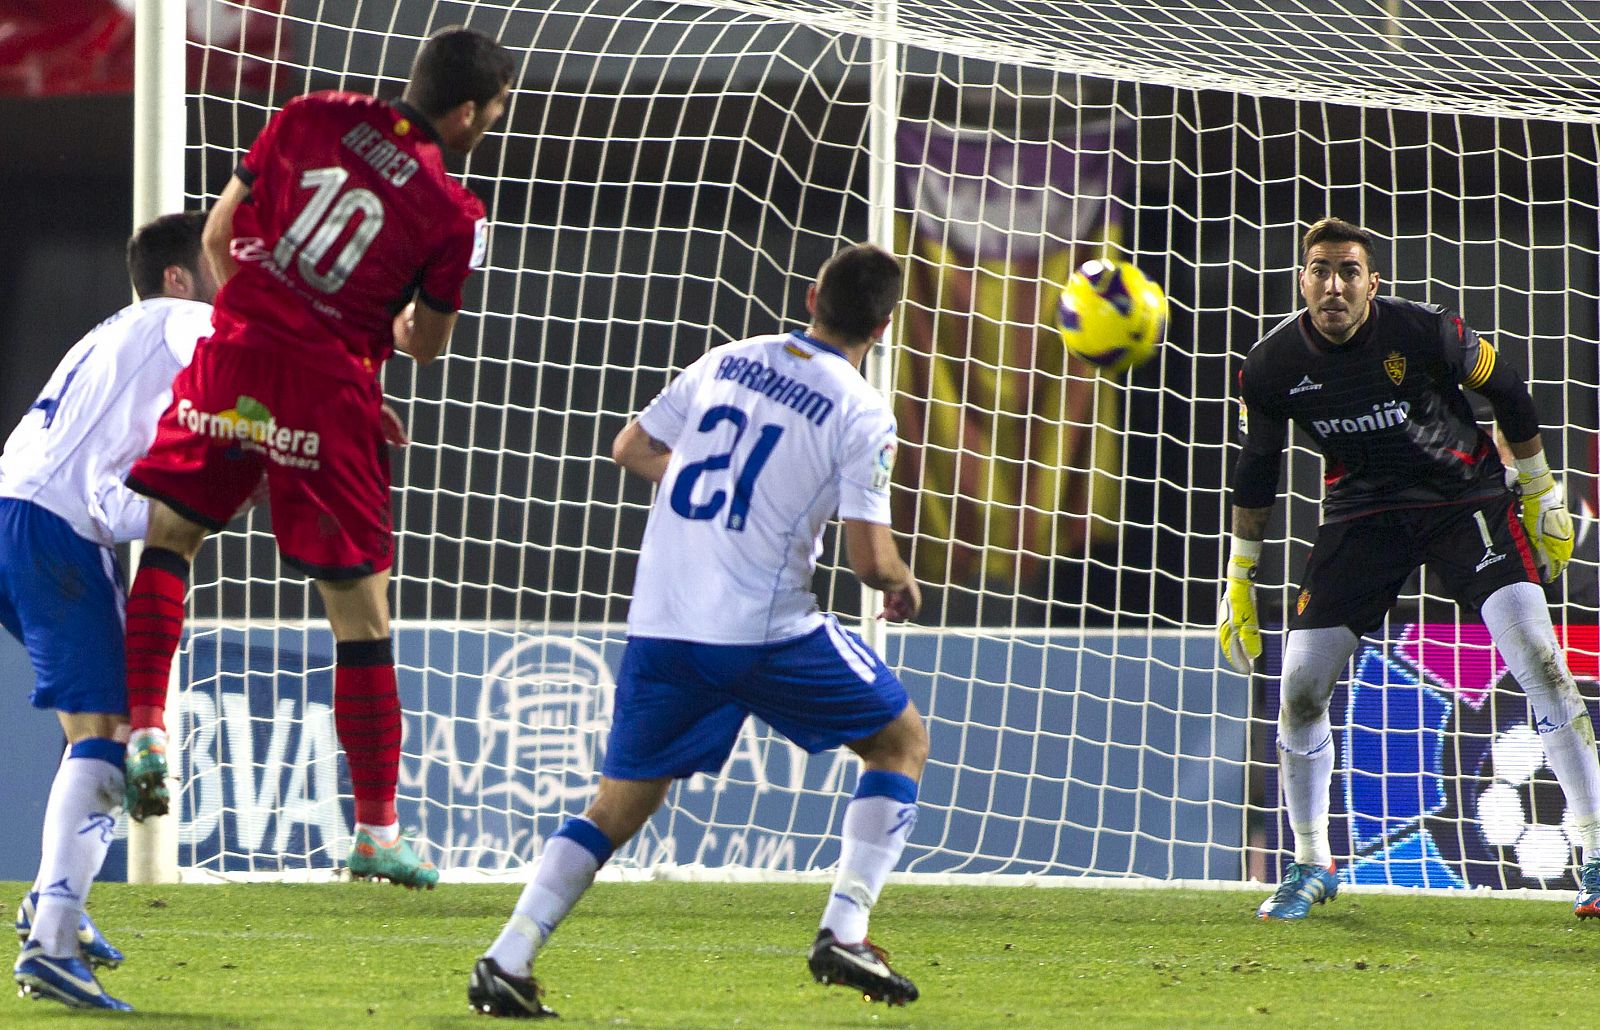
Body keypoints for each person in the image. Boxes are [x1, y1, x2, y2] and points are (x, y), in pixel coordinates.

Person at [468, 244, 929, 1018]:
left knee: (616, 806)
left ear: (810, 293)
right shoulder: (861, 409)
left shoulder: (725, 359)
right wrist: (903, 583)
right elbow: (870, 561)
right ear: (883, 327)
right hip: (762, 628)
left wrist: (706, 494)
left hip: (663, 621)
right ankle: (845, 928)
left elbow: (631, 448)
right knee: (899, 742)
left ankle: (507, 958)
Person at [119, 26, 515, 890]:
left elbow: (220, 239)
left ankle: (145, 725)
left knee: (169, 538)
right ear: (464, 112)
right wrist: (354, 349)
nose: (491, 124)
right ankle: (375, 832)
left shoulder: (308, 113)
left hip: (236, 358)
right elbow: (426, 344)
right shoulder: (454, 213)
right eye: (493, 112)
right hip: (329, 401)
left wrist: (267, 322)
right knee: (362, 617)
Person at [1218, 216, 1600, 920]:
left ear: (1373, 282)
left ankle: (1598, 855)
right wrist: (1239, 574)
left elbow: (1509, 388)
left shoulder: (1427, 331)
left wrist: (1542, 490)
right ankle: (1309, 863)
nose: (1333, 286)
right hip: (1362, 517)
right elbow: (1257, 469)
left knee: (1542, 663)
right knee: (1299, 693)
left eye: (1349, 272)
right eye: (1320, 271)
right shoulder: (1271, 365)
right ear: (1301, 280)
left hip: (1466, 501)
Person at [2, 213, 218, 1011]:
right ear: (177, 277)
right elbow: (246, 378)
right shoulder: (184, 320)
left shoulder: (117, 335)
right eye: (219, 260)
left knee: (96, 729)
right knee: (115, 735)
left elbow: (115, 497)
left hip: (23, 512)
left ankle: (54, 904)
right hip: (48, 528)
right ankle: (52, 941)